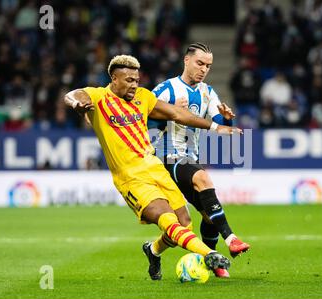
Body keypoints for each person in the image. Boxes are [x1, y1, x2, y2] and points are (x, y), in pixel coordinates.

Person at [64, 54, 242, 280]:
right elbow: (72, 94)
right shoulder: (98, 97)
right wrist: (77, 104)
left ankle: (153, 250)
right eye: (128, 80)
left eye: (136, 80)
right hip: (131, 178)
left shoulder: (143, 97)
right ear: (114, 78)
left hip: (155, 168)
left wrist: (217, 127)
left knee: (184, 224)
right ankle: (210, 254)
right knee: (167, 220)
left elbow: (178, 114)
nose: (134, 85)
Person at [148, 43, 251, 279]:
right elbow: (144, 121)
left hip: (189, 159)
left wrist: (226, 120)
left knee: (203, 219)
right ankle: (232, 239)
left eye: (209, 66)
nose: (204, 69)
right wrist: (169, 112)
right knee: (203, 178)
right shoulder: (166, 90)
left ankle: (153, 250)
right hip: (165, 159)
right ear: (186, 60)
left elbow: (219, 124)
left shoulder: (207, 92)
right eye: (200, 63)